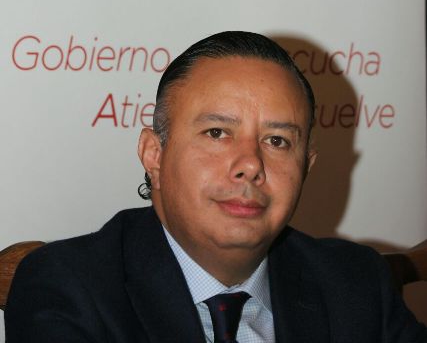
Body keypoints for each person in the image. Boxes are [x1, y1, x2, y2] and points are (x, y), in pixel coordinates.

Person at [5, 31, 427, 342]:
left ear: (306, 166)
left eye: (277, 141)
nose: (250, 165)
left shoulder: (354, 282)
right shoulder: (68, 287)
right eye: (217, 133)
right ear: (154, 154)